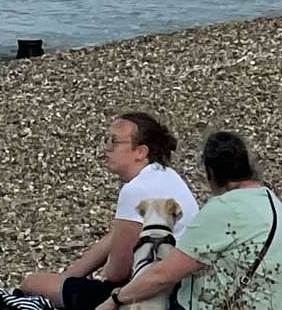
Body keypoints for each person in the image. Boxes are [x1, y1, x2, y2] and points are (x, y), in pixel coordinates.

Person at [89, 131, 282, 310]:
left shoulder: (226, 209)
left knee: (143, 295)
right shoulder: (268, 199)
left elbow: (161, 275)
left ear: (210, 172)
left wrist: (115, 299)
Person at [20, 113, 199, 310]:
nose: (106, 149)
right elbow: (116, 236)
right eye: (106, 140)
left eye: (114, 142)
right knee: (60, 284)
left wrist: (92, 274)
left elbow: (117, 273)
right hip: (183, 289)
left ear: (140, 151)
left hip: (148, 296)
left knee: (32, 283)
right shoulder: (166, 176)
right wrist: (69, 277)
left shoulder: (137, 189)